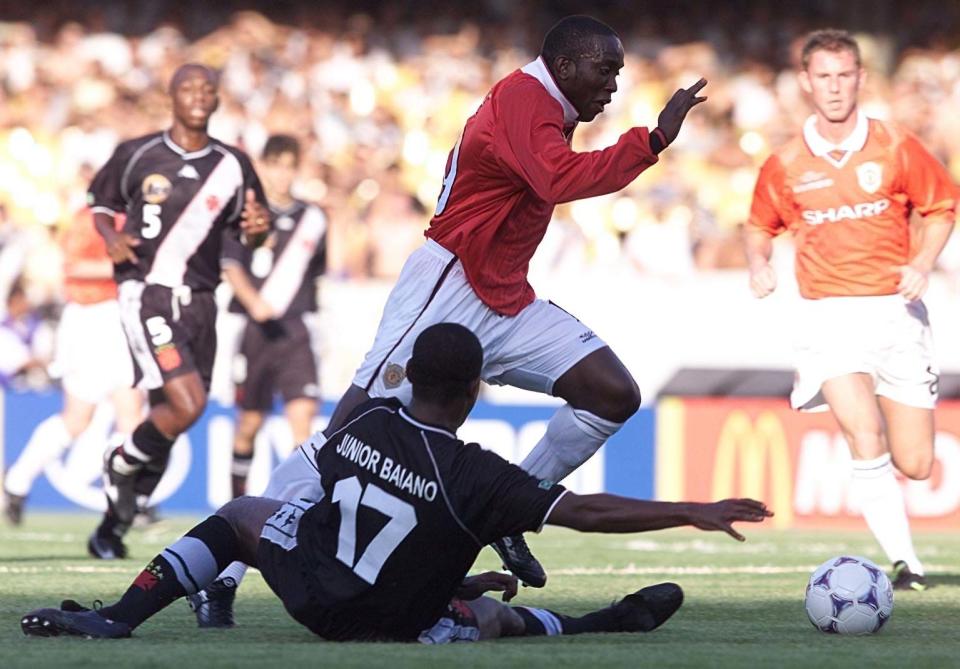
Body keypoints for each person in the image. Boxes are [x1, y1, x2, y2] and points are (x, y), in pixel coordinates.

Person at [20, 323, 772, 642]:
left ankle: (123, 614)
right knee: (489, 621)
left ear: (410, 375)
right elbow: (591, 512)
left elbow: (356, 511)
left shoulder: (363, 425)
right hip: (395, 621)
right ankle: (592, 625)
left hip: (311, 591)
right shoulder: (480, 476)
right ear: (477, 389)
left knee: (245, 511)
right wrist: (691, 508)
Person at [316, 14, 708, 588]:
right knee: (365, 416)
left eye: (619, 73)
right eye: (605, 71)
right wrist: (649, 141)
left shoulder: (549, 106)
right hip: (449, 280)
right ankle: (280, 522)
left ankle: (509, 512)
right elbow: (556, 180)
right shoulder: (525, 96)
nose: (613, 86)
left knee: (610, 393)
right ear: (566, 65)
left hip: (503, 294)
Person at [745, 29, 957, 592]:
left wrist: (924, 262)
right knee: (864, 435)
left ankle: (905, 553)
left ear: (861, 78)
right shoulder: (786, 162)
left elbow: (941, 207)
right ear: (806, 83)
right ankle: (907, 565)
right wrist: (758, 263)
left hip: (896, 313)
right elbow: (758, 225)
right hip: (827, 317)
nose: (835, 87)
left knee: (915, 463)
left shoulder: (895, 145)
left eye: (845, 75)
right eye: (824, 76)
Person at [84, 63, 270, 559]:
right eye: (188, 87)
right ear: (171, 96)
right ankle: (120, 461)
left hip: (204, 301)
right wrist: (110, 237)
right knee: (187, 405)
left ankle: (113, 522)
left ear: (217, 99)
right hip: (148, 292)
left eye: (208, 87)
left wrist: (258, 230)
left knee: (173, 415)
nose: (198, 95)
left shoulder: (234, 163)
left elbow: (254, 229)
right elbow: (99, 203)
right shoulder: (138, 153)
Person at [4, 208, 144, 525]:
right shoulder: (90, 219)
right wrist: (131, 264)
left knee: (131, 413)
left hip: (124, 315)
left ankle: (128, 501)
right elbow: (73, 265)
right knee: (78, 418)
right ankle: (18, 479)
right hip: (90, 317)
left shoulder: (140, 213)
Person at [220, 134, 327, 499]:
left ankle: (298, 506)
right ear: (263, 166)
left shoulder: (312, 218)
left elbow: (317, 272)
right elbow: (230, 265)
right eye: (275, 165)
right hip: (255, 331)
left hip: (295, 329)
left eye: (289, 166)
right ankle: (235, 503)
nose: (282, 175)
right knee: (249, 422)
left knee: (303, 420)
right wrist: (255, 303)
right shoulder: (247, 214)